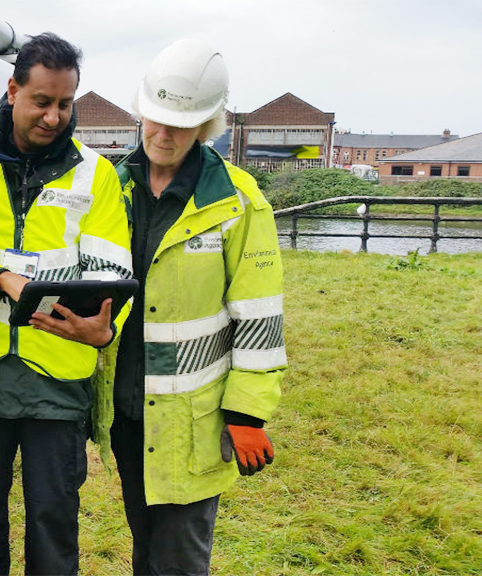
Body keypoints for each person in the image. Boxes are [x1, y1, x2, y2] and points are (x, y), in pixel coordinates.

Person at [0, 32, 132, 575]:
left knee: (53, 522)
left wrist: (103, 324)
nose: (54, 117)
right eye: (42, 101)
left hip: (57, 375)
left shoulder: (97, 175)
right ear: (12, 91)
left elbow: (113, 272)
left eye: (65, 104)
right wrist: (1, 278)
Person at [111, 39, 286, 575]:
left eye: (180, 125)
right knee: (144, 541)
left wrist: (247, 413)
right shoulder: (110, 187)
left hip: (195, 421)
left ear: (208, 125)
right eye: (155, 120)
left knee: (181, 556)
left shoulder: (236, 202)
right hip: (126, 408)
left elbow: (258, 317)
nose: (163, 135)